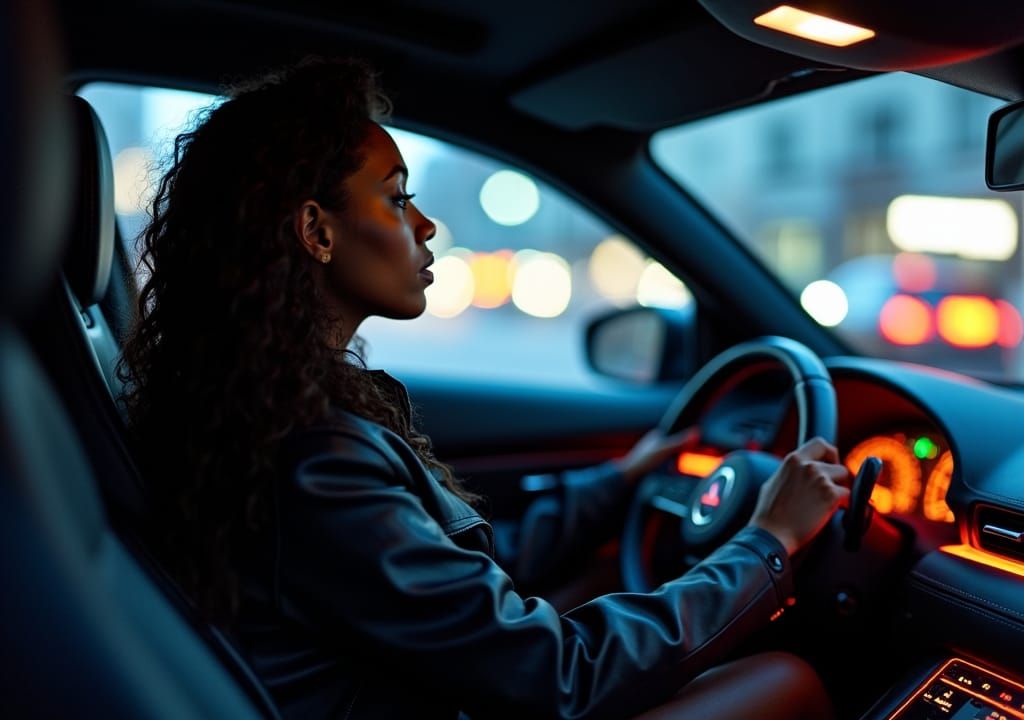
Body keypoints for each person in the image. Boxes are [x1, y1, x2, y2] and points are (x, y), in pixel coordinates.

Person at [119, 58, 850, 719]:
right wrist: (770, 541)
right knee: (786, 681)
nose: (426, 224)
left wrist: (619, 481)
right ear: (317, 231)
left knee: (603, 577)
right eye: (396, 199)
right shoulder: (316, 458)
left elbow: (450, 583)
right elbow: (558, 673)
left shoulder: (262, 416)